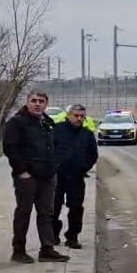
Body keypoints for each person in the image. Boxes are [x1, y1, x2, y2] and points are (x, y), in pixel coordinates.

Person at [2, 90, 69, 263]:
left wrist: (55, 166)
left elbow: (54, 145)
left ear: (46, 104)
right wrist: (21, 171)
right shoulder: (17, 122)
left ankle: (47, 249)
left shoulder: (47, 122)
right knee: (24, 213)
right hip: (27, 177)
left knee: (46, 213)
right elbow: (10, 148)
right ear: (28, 102)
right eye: (34, 100)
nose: (37, 104)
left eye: (41, 101)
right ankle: (19, 251)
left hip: (47, 176)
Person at [51, 104, 98, 249]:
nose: (79, 119)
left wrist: (83, 168)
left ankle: (72, 237)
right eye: (76, 115)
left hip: (76, 177)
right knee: (53, 207)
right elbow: (48, 149)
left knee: (76, 208)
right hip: (57, 177)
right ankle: (53, 234)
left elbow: (93, 155)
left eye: (82, 116)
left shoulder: (87, 134)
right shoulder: (57, 130)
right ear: (69, 116)